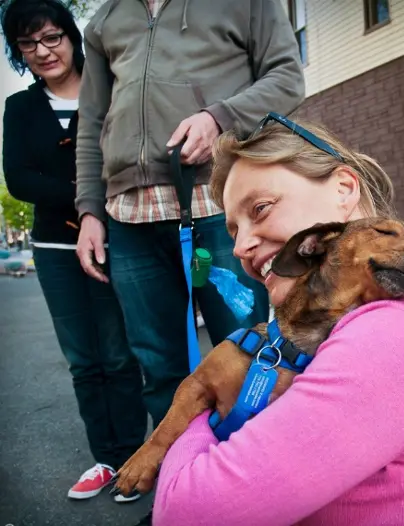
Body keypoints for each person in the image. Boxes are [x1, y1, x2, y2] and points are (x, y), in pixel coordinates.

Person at [151, 115, 404, 525]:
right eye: (233, 229)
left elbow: (184, 513)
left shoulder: (393, 332)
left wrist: (202, 404)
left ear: (344, 188)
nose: (240, 246)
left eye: (262, 208)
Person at [74, 0, 304, 436]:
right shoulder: (105, 19)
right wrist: (89, 209)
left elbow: (288, 78)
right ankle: (181, 485)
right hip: (129, 217)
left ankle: (256, 485)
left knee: (246, 354)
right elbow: (92, 122)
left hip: (219, 207)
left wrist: (220, 119)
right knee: (158, 367)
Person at [1, 0, 147, 503]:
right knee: (83, 360)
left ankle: (133, 457)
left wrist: (96, 203)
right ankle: (105, 458)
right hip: (54, 248)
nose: (42, 52)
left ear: (70, 34)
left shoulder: (108, 88)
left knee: (119, 353)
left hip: (117, 238)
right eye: (27, 44)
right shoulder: (19, 108)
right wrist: (85, 193)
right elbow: (19, 180)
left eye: (51, 38)